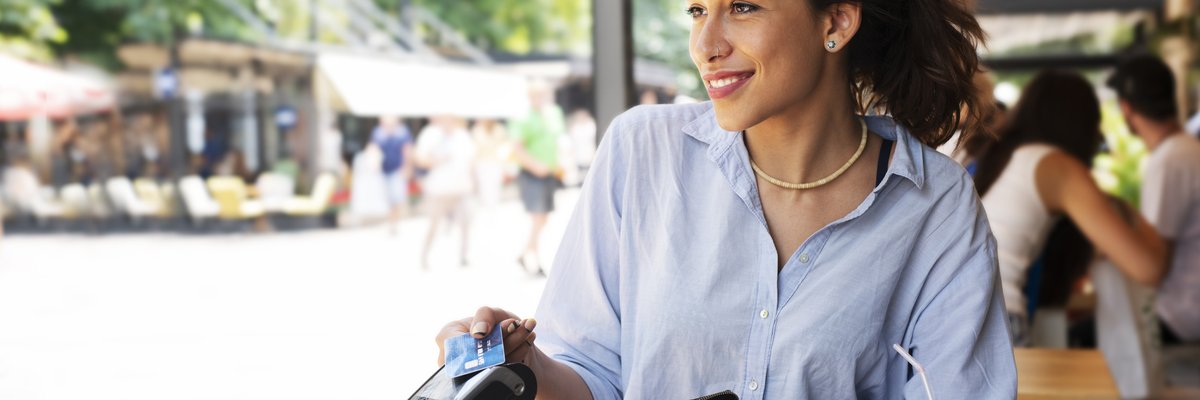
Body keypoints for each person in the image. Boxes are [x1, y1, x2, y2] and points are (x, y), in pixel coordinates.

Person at [437, 0, 1017, 398]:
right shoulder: (641, 154)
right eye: (697, 10)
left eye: (742, 6)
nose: (705, 45)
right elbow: (595, 379)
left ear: (835, 20)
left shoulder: (935, 206)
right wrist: (526, 366)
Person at [972, 70, 1168, 346]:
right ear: (1082, 125)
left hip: (966, 317)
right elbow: (1149, 268)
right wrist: (1129, 213)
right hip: (996, 321)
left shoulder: (1003, 157)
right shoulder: (1057, 167)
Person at [1108, 55, 1200, 344]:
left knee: (1084, 338)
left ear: (1126, 108)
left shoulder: (1171, 159)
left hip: (1180, 315)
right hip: (1185, 310)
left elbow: (1153, 263)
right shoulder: (1185, 150)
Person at [509, 81, 565, 277]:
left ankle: (526, 254)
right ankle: (534, 258)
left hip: (549, 172)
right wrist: (535, 166)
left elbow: (558, 140)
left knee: (543, 218)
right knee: (538, 217)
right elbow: (517, 148)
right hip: (532, 174)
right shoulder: (524, 118)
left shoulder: (552, 114)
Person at [415, 116, 475, 270]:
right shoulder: (430, 134)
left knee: (466, 222)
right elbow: (419, 157)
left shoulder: (462, 136)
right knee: (434, 224)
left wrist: (472, 182)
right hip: (439, 189)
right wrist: (436, 160)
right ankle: (424, 256)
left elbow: (470, 160)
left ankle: (464, 255)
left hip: (461, 187)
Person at [370, 115, 414, 235]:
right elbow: (373, 148)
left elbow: (407, 150)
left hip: (397, 170)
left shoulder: (402, 133)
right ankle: (391, 221)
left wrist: (407, 167)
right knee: (389, 198)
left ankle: (393, 223)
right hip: (384, 171)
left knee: (396, 198)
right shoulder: (378, 133)